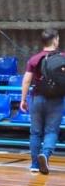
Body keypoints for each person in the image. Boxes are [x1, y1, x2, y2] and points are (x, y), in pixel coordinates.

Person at [20, 27, 63, 175]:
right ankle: (45, 154)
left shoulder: (34, 59)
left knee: (35, 132)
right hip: (57, 100)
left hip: (37, 98)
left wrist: (23, 99)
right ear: (55, 40)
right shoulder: (63, 57)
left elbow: (26, 81)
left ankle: (34, 164)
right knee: (51, 131)